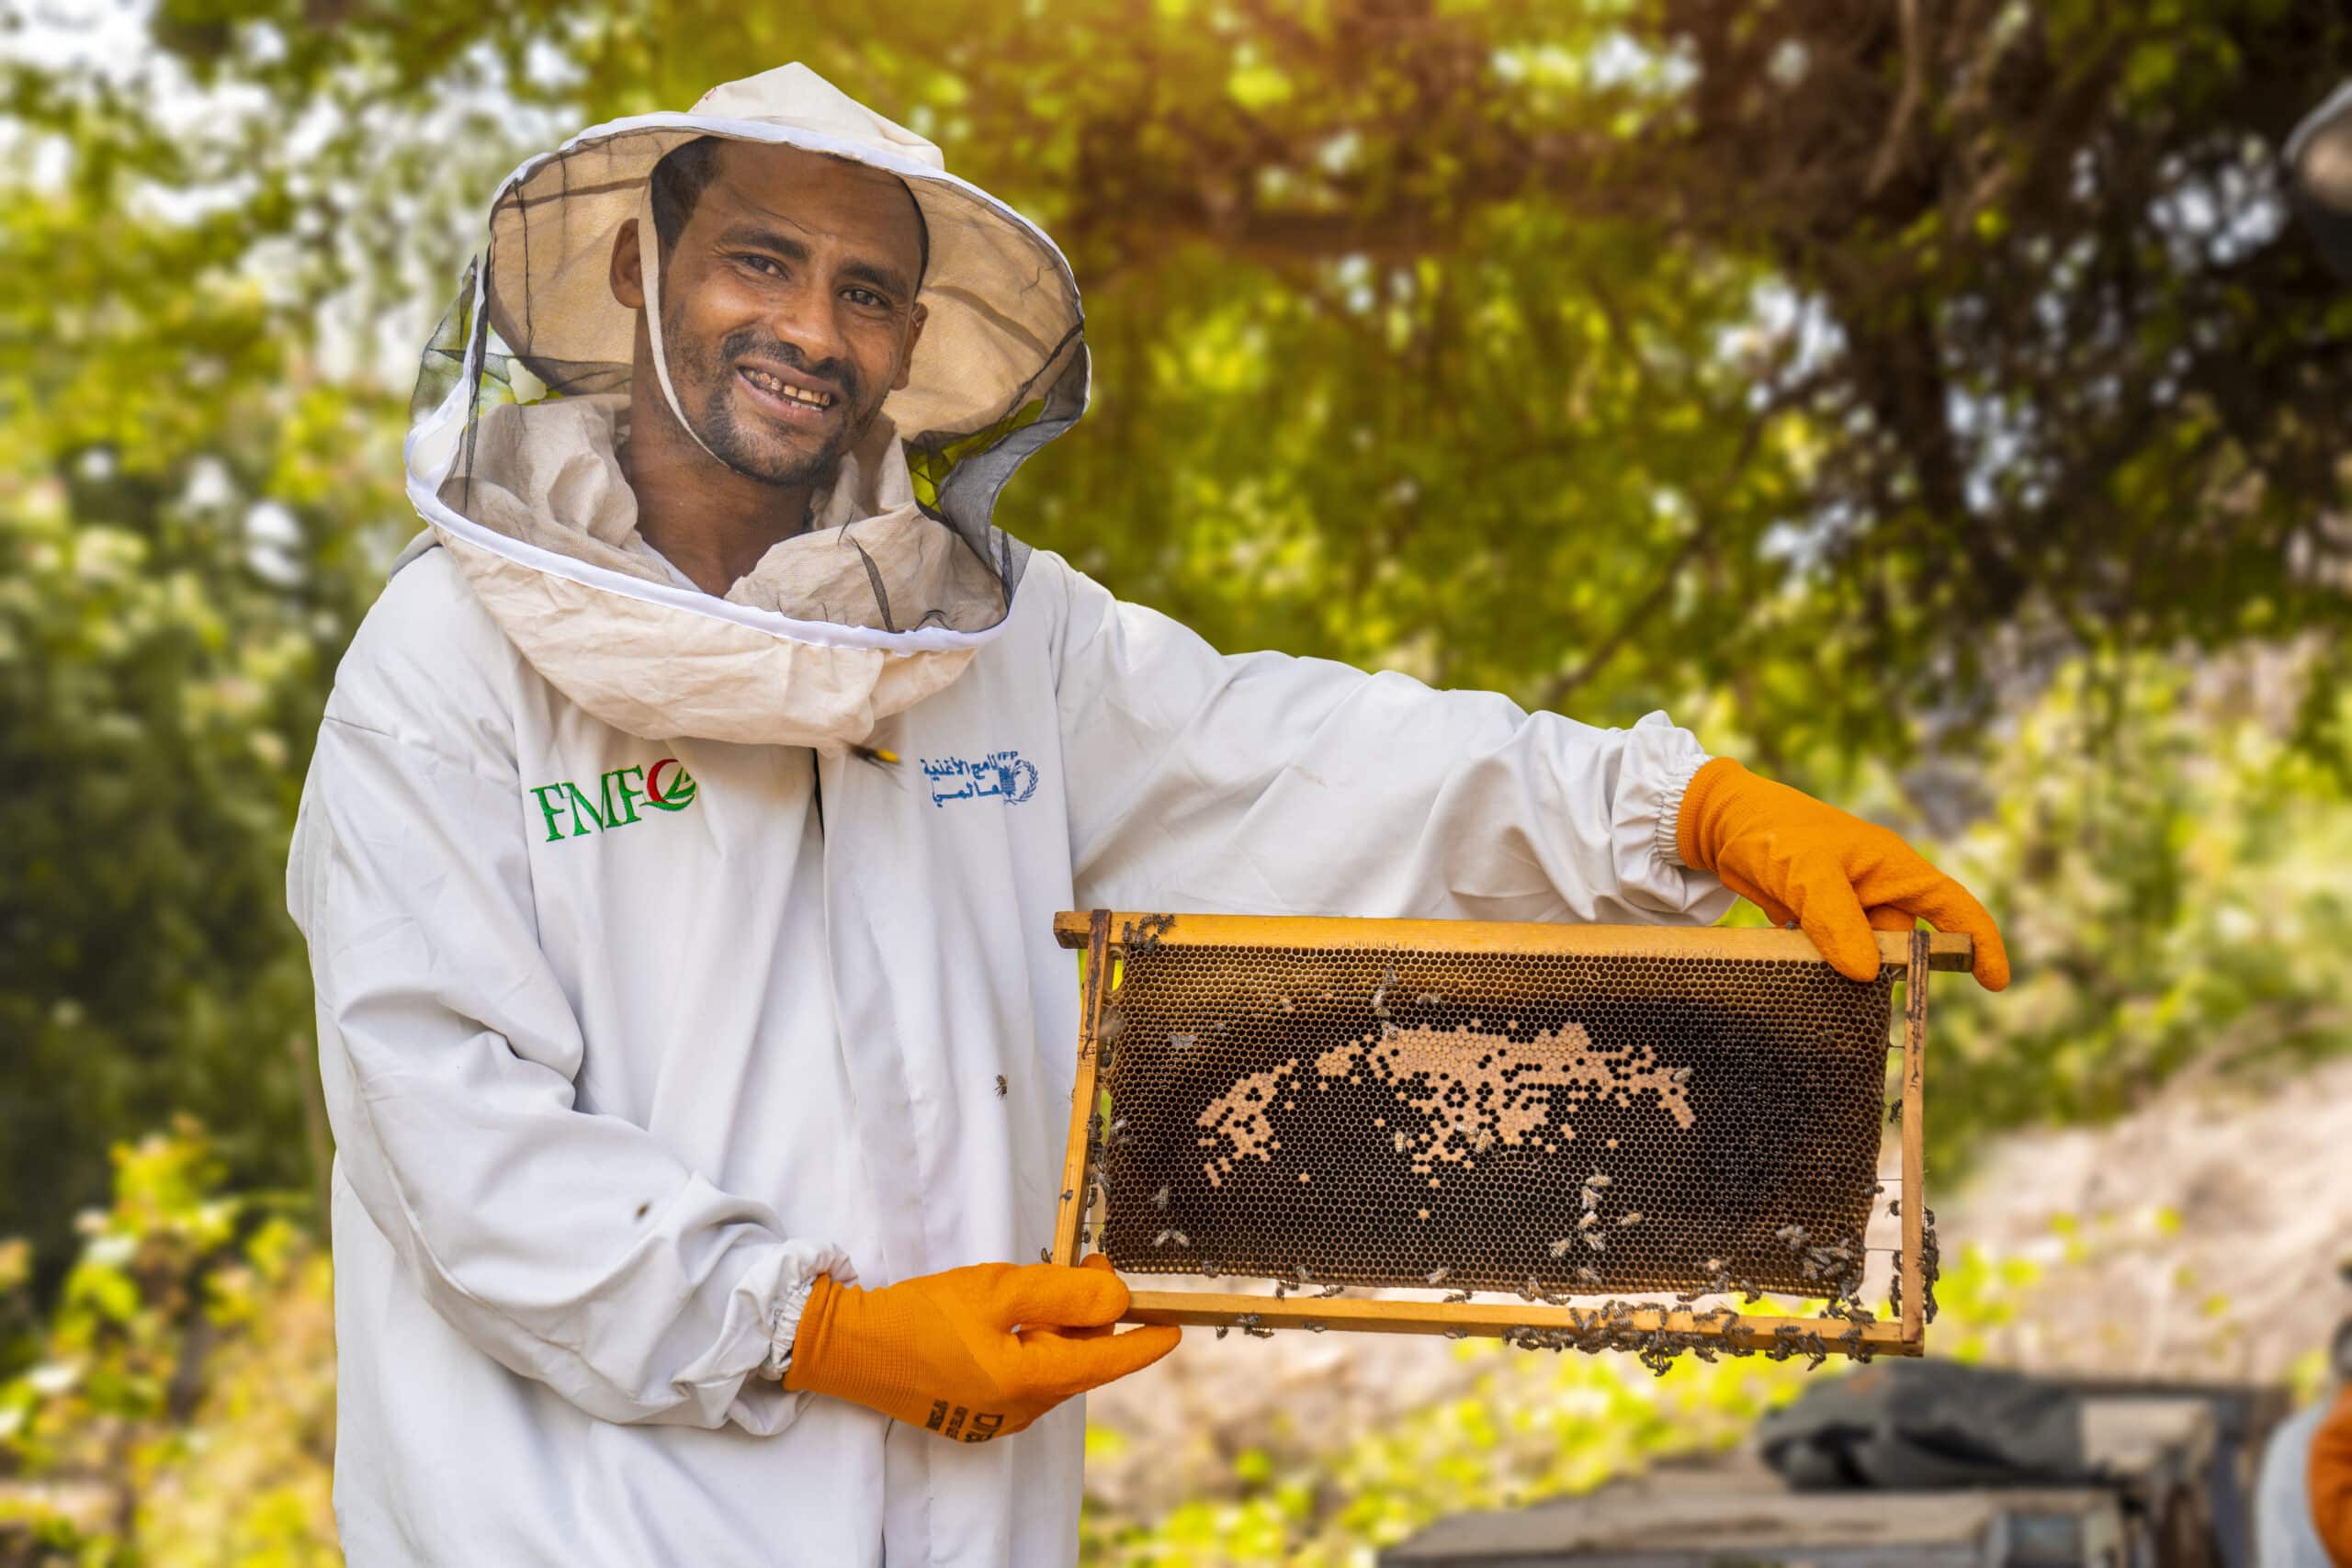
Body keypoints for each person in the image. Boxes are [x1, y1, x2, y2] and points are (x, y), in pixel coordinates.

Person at [286, 63, 2009, 1567]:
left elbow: (1303, 761)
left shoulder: (989, 642)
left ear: (911, 342)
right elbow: (449, 1124)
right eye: (761, 259)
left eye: (866, 291)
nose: (811, 329)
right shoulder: (445, 668)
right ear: (634, 267)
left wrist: (1675, 809)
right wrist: (820, 1332)